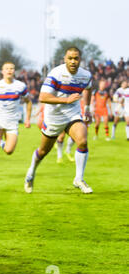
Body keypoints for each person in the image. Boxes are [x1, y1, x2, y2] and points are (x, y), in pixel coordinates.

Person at [24, 47, 93, 194]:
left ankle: (79, 179)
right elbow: (43, 97)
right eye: (70, 58)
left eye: (76, 58)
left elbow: (89, 88)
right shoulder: (56, 73)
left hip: (73, 114)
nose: (73, 61)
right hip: (54, 117)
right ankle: (31, 171)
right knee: (43, 151)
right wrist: (67, 100)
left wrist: (87, 109)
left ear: (80, 59)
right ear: (65, 59)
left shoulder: (85, 75)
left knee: (82, 140)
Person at [0, 62, 32, 181]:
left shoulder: (20, 86)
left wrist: (27, 119)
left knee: (9, 151)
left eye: (11, 69)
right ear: (2, 71)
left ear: (14, 71)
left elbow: (28, 102)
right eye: (7, 69)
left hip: (12, 122)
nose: (9, 70)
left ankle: (2, 143)